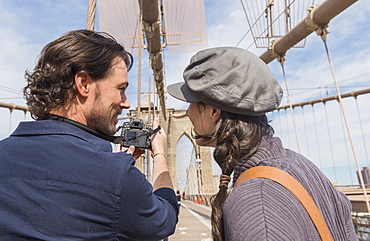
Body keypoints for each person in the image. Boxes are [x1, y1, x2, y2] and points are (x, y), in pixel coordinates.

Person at [0, 30, 178, 240]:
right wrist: (159, 155)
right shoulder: (116, 176)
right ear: (84, 84)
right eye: (121, 89)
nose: (126, 102)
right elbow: (164, 221)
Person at [167, 47, 357, 241]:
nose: (187, 112)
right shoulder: (302, 166)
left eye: (190, 103)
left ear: (214, 111)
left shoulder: (257, 201)